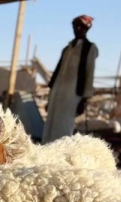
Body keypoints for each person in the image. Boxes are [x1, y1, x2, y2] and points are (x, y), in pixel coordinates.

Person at [42, 15, 98, 144]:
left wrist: (83, 99)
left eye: (80, 27)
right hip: (57, 91)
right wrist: (50, 97)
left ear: (86, 29)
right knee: (50, 124)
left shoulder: (89, 49)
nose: (77, 29)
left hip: (72, 93)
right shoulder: (67, 49)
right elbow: (58, 72)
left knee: (63, 125)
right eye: (75, 26)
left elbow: (89, 74)